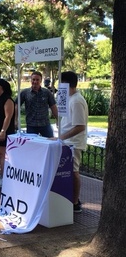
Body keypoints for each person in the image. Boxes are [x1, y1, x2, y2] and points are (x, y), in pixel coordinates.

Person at [55, 71, 88, 213]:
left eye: (59, 82)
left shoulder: (77, 101)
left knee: (74, 171)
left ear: (66, 84)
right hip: (67, 142)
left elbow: (80, 126)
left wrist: (61, 137)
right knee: (69, 171)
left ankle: (75, 202)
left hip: (73, 143)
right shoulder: (70, 99)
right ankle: (71, 199)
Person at [16, 71, 58, 137]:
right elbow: (16, 106)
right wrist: (15, 120)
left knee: (50, 142)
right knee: (32, 145)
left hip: (45, 124)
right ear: (31, 80)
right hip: (31, 125)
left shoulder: (47, 92)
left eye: (37, 80)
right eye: (33, 79)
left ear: (41, 81)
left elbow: (53, 106)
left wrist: (57, 119)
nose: (35, 82)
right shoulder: (25, 93)